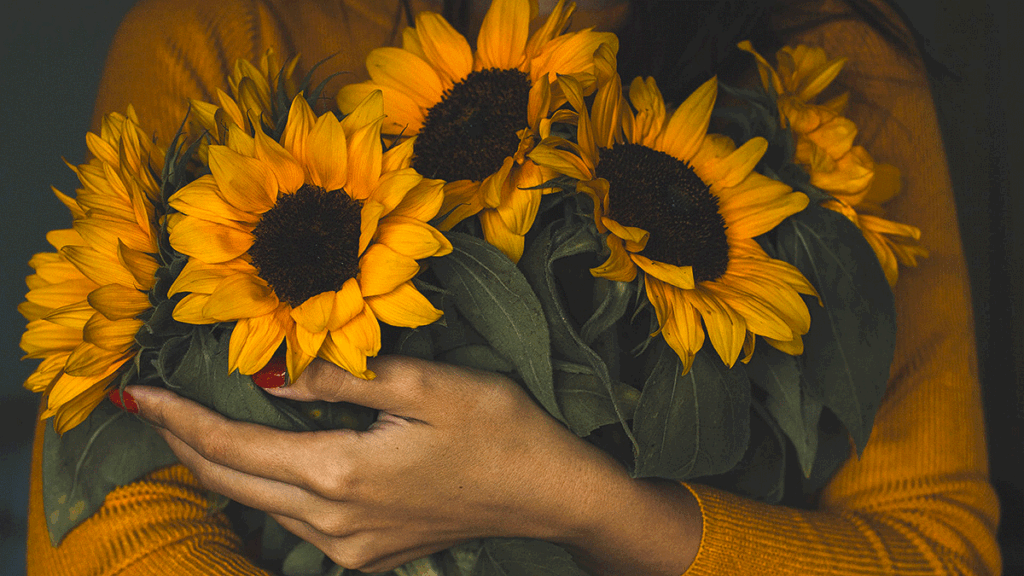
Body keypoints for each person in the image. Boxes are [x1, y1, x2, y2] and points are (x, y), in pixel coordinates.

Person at [26, 0, 1002, 574]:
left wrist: (572, 501)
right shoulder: (226, 29)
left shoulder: (825, 54)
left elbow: (935, 550)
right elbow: (113, 535)